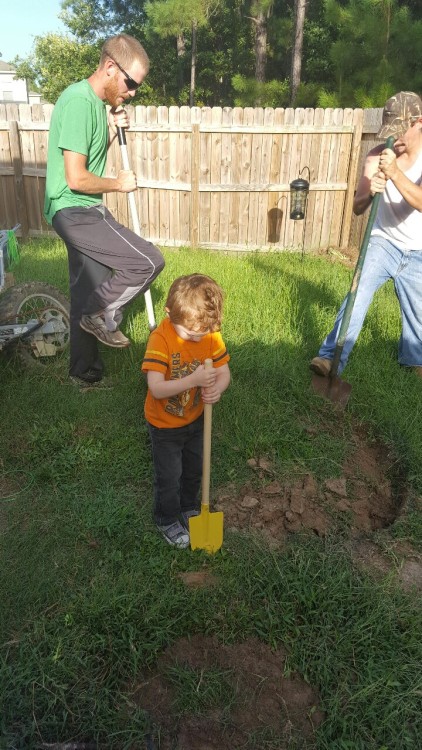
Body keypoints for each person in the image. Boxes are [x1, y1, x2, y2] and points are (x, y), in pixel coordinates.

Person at [44, 34, 165, 387]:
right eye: (131, 83)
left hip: (81, 208)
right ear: (111, 67)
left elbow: (89, 159)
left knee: (87, 290)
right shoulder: (79, 102)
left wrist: (112, 131)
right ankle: (102, 314)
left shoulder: (95, 107)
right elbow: (77, 179)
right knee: (147, 261)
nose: (133, 92)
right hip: (75, 209)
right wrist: (119, 183)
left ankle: (85, 376)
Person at [310, 91, 422, 379]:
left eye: (400, 131)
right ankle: (329, 358)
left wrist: (395, 174)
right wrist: (371, 190)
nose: (393, 139)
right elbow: (358, 207)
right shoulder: (377, 155)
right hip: (382, 241)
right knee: (356, 296)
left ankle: (414, 360)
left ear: (418, 123)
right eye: (390, 131)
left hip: (419, 250)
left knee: (418, 315)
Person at [141, 274, 231, 549]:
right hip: (164, 425)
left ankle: (190, 507)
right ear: (169, 314)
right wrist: (193, 380)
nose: (196, 339)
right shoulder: (161, 339)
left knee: (194, 469)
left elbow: (223, 372)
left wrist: (218, 389)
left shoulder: (209, 333)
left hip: (195, 418)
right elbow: (156, 388)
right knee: (169, 476)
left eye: (202, 334)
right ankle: (167, 518)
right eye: (190, 334)